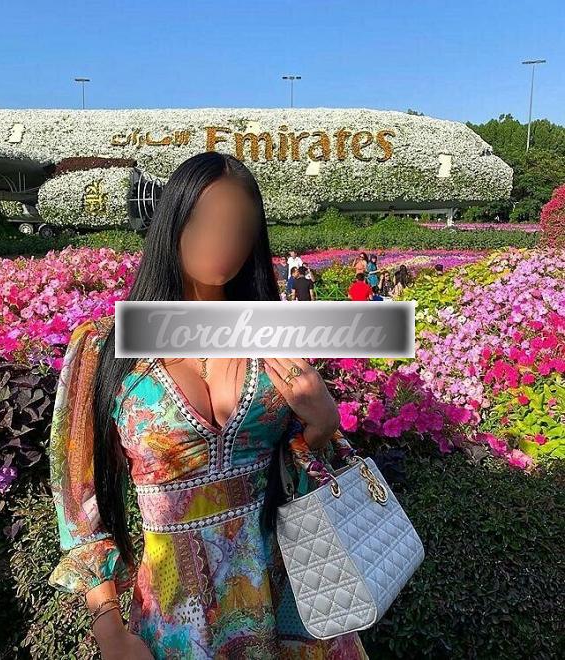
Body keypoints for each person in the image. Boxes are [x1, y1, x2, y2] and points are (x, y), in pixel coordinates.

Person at [46, 151, 368, 660]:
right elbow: (80, 507)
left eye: (239, 227)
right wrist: (110, 629)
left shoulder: (272, 338)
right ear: (172, 223)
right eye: (205, 221)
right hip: (177, 619)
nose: (222, 241)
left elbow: (301, 477)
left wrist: (323, 424)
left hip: (285, 601)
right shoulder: (105, 347)